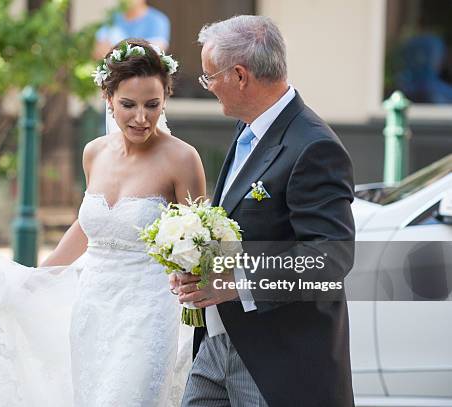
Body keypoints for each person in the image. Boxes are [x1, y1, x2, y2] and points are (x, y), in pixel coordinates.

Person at [0, 39, 205, 406]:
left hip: (150, 312)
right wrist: (38, 277)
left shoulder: (182, 159)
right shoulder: (94, 153)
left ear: (165, 100)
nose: (141, 117)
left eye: (152, 105)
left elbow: (200, 237)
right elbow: (89, 228)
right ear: (108, 97)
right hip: (93, 307)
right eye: (128, 105)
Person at [173, 16, 356, 406]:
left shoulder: (313, 145)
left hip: (277, 359)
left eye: (209, 77)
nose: (207, 87)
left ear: (240, 75)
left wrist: (234, 281)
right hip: (218, 344)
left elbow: (330, 258)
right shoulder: (248, 127)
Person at [93, 0, 170, 59]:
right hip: (114, 76)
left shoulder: (157, 20)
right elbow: (99, 52)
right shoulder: (113, 18)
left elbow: (154, 54)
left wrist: (113, 51)